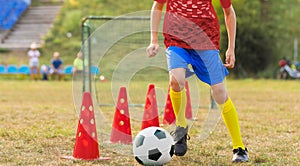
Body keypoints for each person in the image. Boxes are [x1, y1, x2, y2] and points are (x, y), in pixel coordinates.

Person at [146, 0, 249, 162]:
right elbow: (157, 6)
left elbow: (229, 12)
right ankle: (181, 130)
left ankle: (239, 148)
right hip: (176, 39)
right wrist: (153, 39)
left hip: (206, 40)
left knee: (220, 92)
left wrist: (231, 47)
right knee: (176, 80)